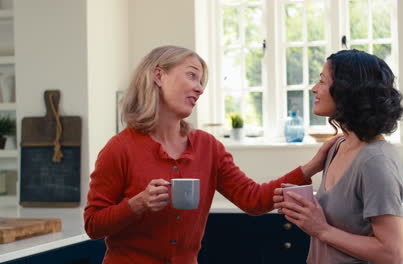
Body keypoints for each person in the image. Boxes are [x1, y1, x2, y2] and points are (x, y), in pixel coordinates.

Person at [83, 45, 337, 264]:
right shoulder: (119, 149)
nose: (200, 89)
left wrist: (312, 167)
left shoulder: (209, 147)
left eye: (201, 82)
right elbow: (93, 225)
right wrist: (136, 205)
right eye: (192, 76)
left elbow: (253, 199)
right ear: (159, 75)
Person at [273, 49, 403, 264]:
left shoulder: (376, 161)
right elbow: (348, 217)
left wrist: (321, 229)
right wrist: (304, 208)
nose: (314, 89)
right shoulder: (337, 147)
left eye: (322, 82)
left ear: (347, 91)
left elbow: (393, 254)